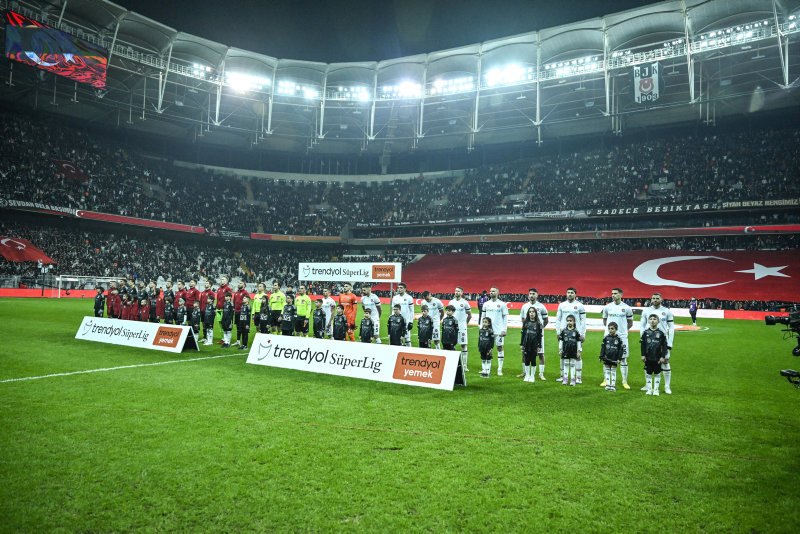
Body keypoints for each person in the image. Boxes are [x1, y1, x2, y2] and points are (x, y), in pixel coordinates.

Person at [639, 293, 674, 394]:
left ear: (661, 299)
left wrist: (670, 342)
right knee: (648, 361)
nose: (655, 300)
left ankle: (667, 386)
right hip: (649, 341)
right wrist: (643, 339)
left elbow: (671, 328)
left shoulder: (666, 311)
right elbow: (642, 325)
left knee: (665, 362)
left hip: (662, 342)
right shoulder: (646, 311)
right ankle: (648, 385)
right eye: (653, 298)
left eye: (657, 298)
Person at [601, 288, 634, 389]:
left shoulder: (627, 308)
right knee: (606, 358)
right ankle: (606, 380)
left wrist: (623, 332)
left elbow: (630, 323)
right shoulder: (607, 307)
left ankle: (624, 381)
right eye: (612, 293)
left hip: (622, 337)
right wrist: (610, 332)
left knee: (623, 359)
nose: (613, 295)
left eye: (615, 293)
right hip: (608, 337)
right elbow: (605, 320)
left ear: (621, 295)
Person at [556, 287, 586, 383]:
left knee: (577, 355)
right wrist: (557, 332)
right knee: (562, 354)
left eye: (572, 293)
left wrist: (582, 333)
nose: (569, 294)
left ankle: (578, 377)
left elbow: (583, 320)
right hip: (564, 334)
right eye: (568, 292)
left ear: (575, 294)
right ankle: (562, 375)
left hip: (576, 334)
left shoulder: (580, 306)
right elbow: (558, 319)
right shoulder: (562, 305)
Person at [519, 288, 550, 380]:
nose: (531, 295)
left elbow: (546, 320)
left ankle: (541, 373)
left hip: (537, 335)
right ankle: (525, 372)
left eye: (533, 294)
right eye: (530, 294)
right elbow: (523, 319)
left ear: (537, 295)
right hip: (527, 334)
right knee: (524, 353)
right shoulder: (524, 306)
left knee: (540, 353)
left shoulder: (541, 306)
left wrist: (539, 329)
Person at [482, 286, 509, 376]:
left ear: (497, 293)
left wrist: (504, 329)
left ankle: (499, 369)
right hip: (488, 330)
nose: (491, 292)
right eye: (490, 291)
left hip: (498, 330)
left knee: (499, 348)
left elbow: (505, 317)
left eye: (493, 291)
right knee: (487, 348)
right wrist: (482, 327)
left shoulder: (502, 304)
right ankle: (486, 369)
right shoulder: (486, 304)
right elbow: (483, 316)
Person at [641, 314, 668, 396]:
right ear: (648, 321)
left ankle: (656, 390)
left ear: (658, 321)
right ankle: (649, 389)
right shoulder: (645, 333)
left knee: (657, 373)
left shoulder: (661, 333)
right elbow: (643, 345)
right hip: (648, 357)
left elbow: (664, 346)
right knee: (648, 373)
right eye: (651, 319)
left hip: (657, 357)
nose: (652, 321)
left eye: (654, 319)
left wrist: (663, 356)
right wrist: (643, 355)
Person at [447, 287, 473, 372]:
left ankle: (465, 366)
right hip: (452, 328)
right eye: (455, 291)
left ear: (462, 292)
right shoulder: (451, 302)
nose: (456, 292)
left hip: (462, 327)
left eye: (458, 291)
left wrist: (465, 324)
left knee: (463, 345)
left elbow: (469, 315)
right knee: (452, 345)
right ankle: (452, 364)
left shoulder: (465, 303)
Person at [599, 322, 625, 392]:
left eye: (612, 329)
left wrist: (619, 358)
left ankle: (613, 385)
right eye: (609, 329)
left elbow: (621, 350)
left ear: (616, 329)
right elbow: (603, 348)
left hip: (614, 358)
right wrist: (601, 356)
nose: (610, 330)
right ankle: (608, 385)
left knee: (613, 371)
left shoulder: (619, 339)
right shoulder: (606, 338)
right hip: (606, 357)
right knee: (607, 371)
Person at [520, 307, 543, 383]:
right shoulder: (525, 322)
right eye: (530, 312)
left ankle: (532, 376)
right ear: (528, 313)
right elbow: (523, 334)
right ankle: (527, 375)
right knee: (526, 359)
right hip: (526, 344)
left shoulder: (538, 323)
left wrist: (539, 346)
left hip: (534, 344)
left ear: (535, 313)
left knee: (533, 360)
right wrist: (521, 344)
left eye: (533, 312)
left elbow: (540, 336)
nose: (531, 313)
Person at [558, 315, 582, 386]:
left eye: (571, 321)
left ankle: (572, 379)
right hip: (565, 351)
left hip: (573, 351)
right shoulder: (563, 331)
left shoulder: (576, 332)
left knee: (572, 365)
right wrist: (560, 350)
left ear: (574, 322)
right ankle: (565, 379)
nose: (569, 322)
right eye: (568, 321)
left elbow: (578, 342)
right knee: (565, 364)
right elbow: (561, 341)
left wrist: (578, 351)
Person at [391, 283, 415, 347]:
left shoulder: (409, 298)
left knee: (407, 339)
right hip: (397, 322)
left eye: (401, 288)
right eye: (398, 288)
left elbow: (412, 310)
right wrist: (392, 319)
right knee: (398, 339)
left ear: (405, 289)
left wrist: (411, 322)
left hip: (406, 321)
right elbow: (393, 310)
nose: (399, 289)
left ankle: (409, 352)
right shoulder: (395, 298)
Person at [233, 281, 248, 345]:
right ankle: (238, 340)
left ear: (244, 285)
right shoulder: (236, 293)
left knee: (242, 326)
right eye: (239, 283)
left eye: (241, 283)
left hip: (242, 312)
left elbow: (247, 302)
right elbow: (234, 301)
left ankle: (243, 342)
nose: (239, 284)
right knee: (238, 326)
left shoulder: (245, 293)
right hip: (236, 312)